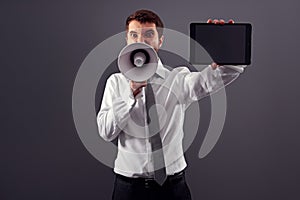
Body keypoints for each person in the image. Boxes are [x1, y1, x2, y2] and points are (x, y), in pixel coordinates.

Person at [97, 9, 246, 200]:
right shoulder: (116, 83)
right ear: (126, 40)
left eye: (149, 34)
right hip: (128, 188)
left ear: (160, 41)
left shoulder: (177, 79)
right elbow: (106, 131)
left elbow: (215, 78)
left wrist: (227, 44)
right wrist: (130, 94)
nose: (140, 41)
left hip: (173, 187)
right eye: (134, 35)